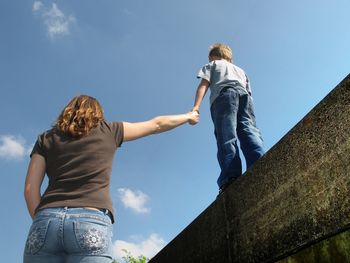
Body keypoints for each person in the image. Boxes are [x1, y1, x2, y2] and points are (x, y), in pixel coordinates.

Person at [23, 95, 199, 263]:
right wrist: (188, 116)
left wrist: (43, 222)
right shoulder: (110, 130)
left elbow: (30, 189)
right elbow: (157, 124)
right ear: (97, 113)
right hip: (90, 220)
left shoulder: (45, 138)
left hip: (46, 219)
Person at [192, 43, 264, 193]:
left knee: (226, 136)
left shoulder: (212, 65)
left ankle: (230, 177)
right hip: (245, 98)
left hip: (224, 96)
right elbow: (249, 93)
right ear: (229, 58)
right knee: (249, 129)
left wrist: (196, 108)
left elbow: (203, 85)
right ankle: (260, 162)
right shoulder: (241, 70)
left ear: (212, 57)